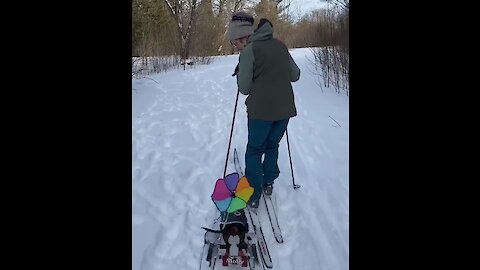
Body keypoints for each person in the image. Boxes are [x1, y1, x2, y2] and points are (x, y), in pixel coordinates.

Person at [228, 12, 300, 208]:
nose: (236, 47)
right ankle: (268, 182)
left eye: (236, 43)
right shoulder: (280, 45)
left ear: (244, 37)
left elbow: (244, 89)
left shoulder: (249, 51)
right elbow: (295, 75)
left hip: (260, 113)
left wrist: (242, 71)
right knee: (272, 145)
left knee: (254, 150)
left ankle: (253, 193)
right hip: (284, 110)